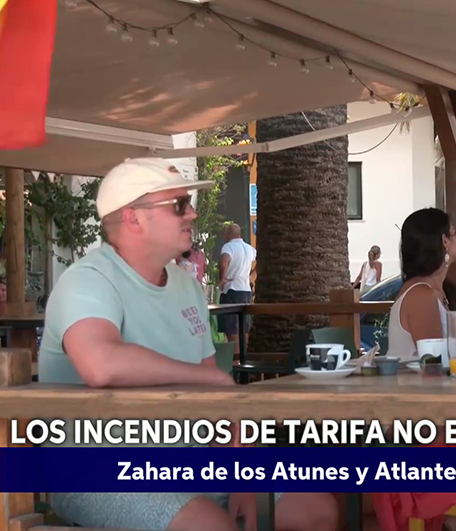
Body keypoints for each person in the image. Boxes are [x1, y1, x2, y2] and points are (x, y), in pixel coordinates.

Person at [37, 157, 338, 531]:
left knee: (318, 511)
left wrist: (241, 469)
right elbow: (101, 365)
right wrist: (206, 377)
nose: (192, 213)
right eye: (179, 205)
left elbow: (214, 402)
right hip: (94, 469)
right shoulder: (87, 280)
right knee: (212, 526)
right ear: (133, 218)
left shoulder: (185, 286)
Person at [386, 208, 456, 360]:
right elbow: (434, 361)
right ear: (445, 241)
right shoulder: (420, 295)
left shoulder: (443, 290)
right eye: (454, 234)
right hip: (414, 376)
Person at [217, 223, 257, 352]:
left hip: (231, 289)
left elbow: (224, 262)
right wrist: (252, 275)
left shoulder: (228, 247)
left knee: (231, 328)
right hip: (245, 291)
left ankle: (235, 359)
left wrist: (222, 278)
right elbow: (260, 260)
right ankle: (244, 357)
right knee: (244, 328)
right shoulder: (249, 248)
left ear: (228, 234)